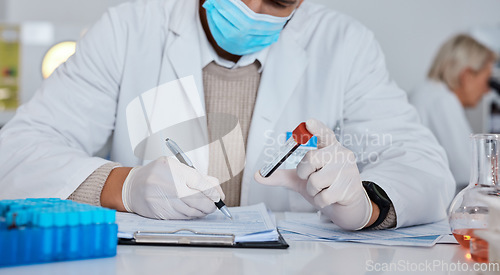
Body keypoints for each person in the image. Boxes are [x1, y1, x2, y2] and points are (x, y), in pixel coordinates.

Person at [0, 0, 455, 230]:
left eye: (276, 2)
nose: (252, 10)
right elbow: (17, 150)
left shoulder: (344, 47)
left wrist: (365, 205)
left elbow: (425, 167)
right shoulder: (129, 29)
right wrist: (126, 185)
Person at [410, 34, 497, 189]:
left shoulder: (428, 93)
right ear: (467, 75)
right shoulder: (441, 100)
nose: (487, 91)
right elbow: (471, 172)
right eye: (487, 80)